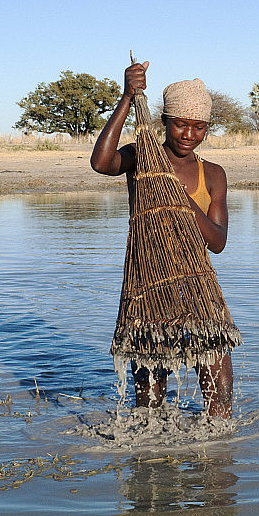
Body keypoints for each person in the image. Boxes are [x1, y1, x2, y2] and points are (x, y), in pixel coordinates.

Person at [91, 61, 233, 417]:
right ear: (164, 122)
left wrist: (180, 198)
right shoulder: (142, 157)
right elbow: (102, 163)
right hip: (148, 290)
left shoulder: (213, 174)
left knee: (220, 396)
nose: (188, 134)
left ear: (207, 129)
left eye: (198, 127)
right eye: (180, 124)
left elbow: (217, 242)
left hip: (197, 290)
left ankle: (219, 449)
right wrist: (126, 97)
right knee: (149, 407)